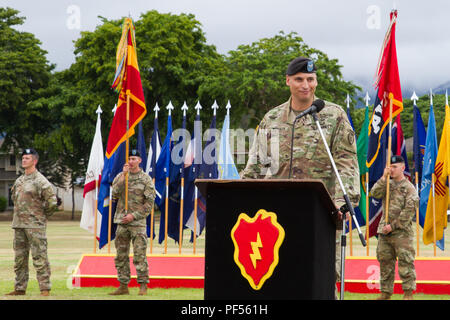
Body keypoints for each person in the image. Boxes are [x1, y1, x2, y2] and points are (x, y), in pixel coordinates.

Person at [241, 56, 360, 298]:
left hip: (323, 215)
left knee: (323, 280)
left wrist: (342, 204)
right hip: (276, 217)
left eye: (310, 79)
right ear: (288, 81)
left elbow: (346, 163)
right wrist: (237, 199)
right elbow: (255, 166)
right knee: (279, 278)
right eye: (299, 79)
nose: (305, 84)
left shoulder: (333, 116)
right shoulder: (272, 119)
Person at [6, 148, 60, 296]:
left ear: (35, 161)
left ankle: (44, 289)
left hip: (35, 226)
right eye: (23, 158)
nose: (24, 160)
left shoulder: (40, 180)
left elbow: (52, 202)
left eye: (27, 158)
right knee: (19, 259)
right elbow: (15, 200)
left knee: (39, 257)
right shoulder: (19, 181)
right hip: (19, 225)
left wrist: (42, 217)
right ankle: (20, 288)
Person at [370, 155, 418, 300]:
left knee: (405, 262)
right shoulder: (387, 184)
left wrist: (393, 226)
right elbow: (375, 193)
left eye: (395, 166)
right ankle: (385, 293)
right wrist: (383, 178)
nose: (391, 169)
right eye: (390, 166)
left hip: (401, 233)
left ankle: (408, 293)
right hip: (385, 232)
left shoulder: (409, 187)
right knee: (385, 262)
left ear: (403, 168)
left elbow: (410, 210)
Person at [109, 149, 156, 296]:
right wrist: (123, 176)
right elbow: (115, 193)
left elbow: (149, 203)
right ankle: (123, 285)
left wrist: (134, 216)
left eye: (134, 158)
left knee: (139, 255)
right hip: (122, 222)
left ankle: (143, 285)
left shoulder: (146, 179)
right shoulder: (121, 176)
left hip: (138, 223)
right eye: (129, 158)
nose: (131, 161)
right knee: (121, 255)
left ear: (140, 161)